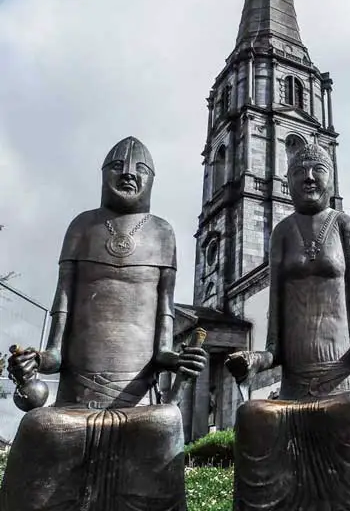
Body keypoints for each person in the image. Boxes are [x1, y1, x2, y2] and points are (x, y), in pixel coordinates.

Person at [0, 136, 207, 511]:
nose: (128, 173)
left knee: (163, 422)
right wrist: (33, 362)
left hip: (135, 403)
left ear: (153, 180)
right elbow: (55, 345)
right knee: (41, 426)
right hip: (74, 402)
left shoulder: (163, 233)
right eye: (117, 166)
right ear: (103, 174)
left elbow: (164, 331)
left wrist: (178, 359)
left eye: (140, 169)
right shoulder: (82, 226)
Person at [226, 142, 350, 511]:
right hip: (293, 389)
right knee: (251, 414)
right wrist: (253, 359)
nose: (308, 177)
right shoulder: (282, 232)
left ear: (330, 176)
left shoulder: (344, 225)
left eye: (317, 169)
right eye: (299, 171)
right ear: (287, 181)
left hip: (342, 386)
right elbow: (273, 345)